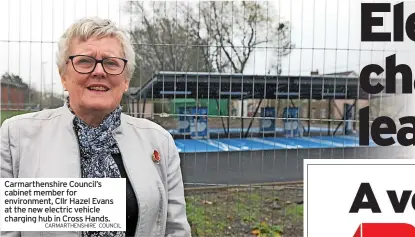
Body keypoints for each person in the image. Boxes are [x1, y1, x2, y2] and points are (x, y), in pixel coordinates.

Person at [1, 17, 191, 237]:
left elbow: (176, 230)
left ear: (126, 80)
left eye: (111, 63)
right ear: (64, 76)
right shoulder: (17, 137)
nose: (99, 71)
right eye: (84, 61)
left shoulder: (158, 141)